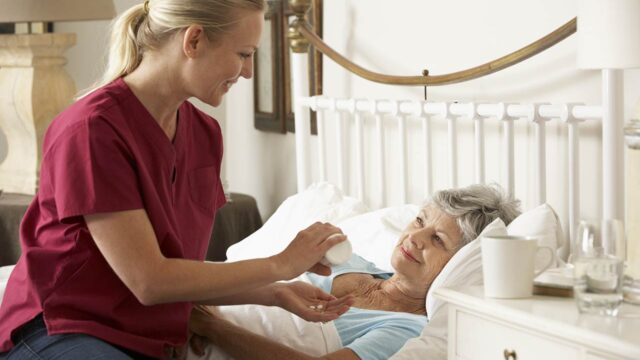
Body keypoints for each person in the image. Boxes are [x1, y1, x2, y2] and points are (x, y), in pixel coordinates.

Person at [0, 1, 352, 359]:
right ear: (194, 40)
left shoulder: (205, 134)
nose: (247, 72)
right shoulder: (92, 130)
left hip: (145, 340)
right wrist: (280, 263)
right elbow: (149, 280)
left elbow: (179, 273)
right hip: (62, 331)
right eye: (243, 54)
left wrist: (274, 291)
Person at [186, 184, 521, 360]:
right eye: (419, 221)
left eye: (438, 239)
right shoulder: (349, 260)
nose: (415, 238)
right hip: (186, 308)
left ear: (460, 266)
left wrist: (209, 326)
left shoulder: (409, 329)